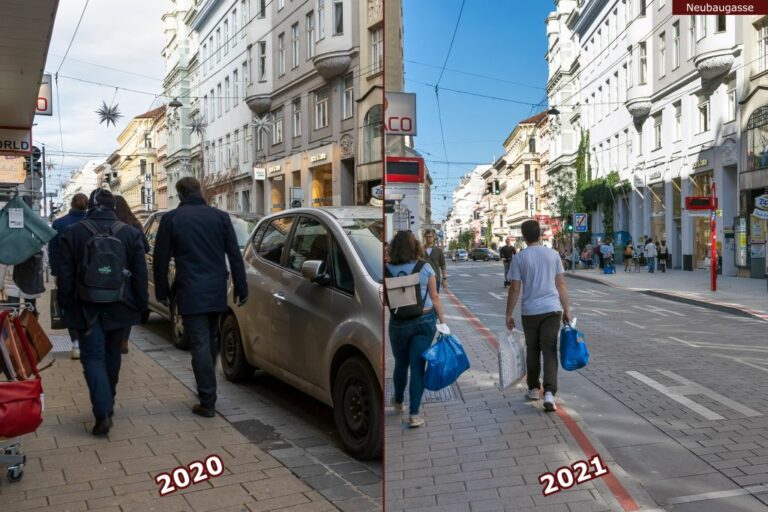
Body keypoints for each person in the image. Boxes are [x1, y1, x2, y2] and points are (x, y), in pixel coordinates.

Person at [153, 177, 247, 418]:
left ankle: (207, 399)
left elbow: (161, 258)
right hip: (216, 288)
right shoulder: (220, 217)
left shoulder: (172, 219)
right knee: (211, 339)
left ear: (181, 194)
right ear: (199, 191)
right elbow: (234, 255)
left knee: (200, 344)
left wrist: (161, 289)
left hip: (190, 290)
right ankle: (208, 390)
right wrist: (241, 286)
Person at [58, 188, 148, 435]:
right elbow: (141, 274)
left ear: (90, 206)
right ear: (112, 207)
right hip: (120, 305)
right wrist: (141, 304)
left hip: (86, 307)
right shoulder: (130, 233)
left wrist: (66, 305)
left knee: (93, 358)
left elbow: (64, 275)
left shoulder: (73, 233)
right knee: (113, 355)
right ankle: (108, 399)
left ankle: (102, 410)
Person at [505, 220, 571, 412]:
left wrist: (509, 313)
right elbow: (561, 285)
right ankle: (549, 393)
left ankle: (534, 388)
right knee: (550, 349)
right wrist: (567, 309)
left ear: (524, 236)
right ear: (540, 234)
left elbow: (515, 288)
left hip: (530, 311)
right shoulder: (553, 255)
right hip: (552, 309)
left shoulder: (520, 258)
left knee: (532, 349)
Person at [386, 230, 449, 428]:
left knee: (400, 364)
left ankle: (398, 401)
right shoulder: (425, 268)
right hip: (424, 320)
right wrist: (443, 322)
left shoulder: (386, 269)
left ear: (393, 248)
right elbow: (435, 297)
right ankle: (414, 414)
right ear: (416, 246)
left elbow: (384, 300)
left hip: (398, 323)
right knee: (417, 367)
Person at [49, 193, 89, 359]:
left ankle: (76, 344)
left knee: (70, 307)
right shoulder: (92, 223)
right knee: (87, 306)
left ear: (71, 204)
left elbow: (53, 251)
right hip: (90, 274)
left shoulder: (59, 223)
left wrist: (56, 272)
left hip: (66, 274)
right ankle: (88, 340)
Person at [113, 195, 150, 355]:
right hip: (129, 273)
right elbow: (146, 248)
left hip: (110, 272)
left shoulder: (109, 226)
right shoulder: (134, 225)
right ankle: (124, 340)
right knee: (127, 306)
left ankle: (115, 338)